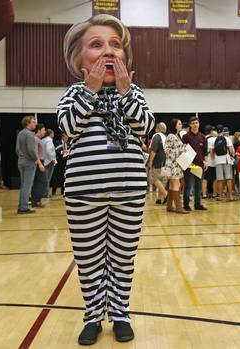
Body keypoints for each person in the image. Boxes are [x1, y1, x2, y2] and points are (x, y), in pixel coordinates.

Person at [58, 14, 155, 344]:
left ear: (125, 56)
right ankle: (92, 316)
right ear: (79, 57)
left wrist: (126, 93)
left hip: (129, 191)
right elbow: (69, 127)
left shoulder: (135, 93)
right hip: (84, 192)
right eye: (96, 45)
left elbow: (145, 127)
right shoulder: (73, 93)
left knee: (123, 257)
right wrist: (91, 91)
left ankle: (120, 314)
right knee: (88, 260)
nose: (109, 52)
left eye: (116, 45)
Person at [16, 116, 44, 214]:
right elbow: (31, 150)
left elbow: (17, 149)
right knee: (27, 186)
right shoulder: (30, 134)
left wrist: (22, 157)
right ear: (27, 123)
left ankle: (21, 206)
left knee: (24, 185)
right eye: (33, 122)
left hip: (21, 162)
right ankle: (23, 207)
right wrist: (36, 160)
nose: (35, 124)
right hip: (29, 163)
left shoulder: (20, 133)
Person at [182, 116, 208, 211]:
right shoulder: (186, 137)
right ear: (190, 125)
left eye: (196, 123)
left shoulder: (203, 137)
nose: (195, 125)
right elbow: (182, 151)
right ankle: (186, 205)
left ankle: (198, 204)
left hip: (200, 166)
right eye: (193, 123)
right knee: (188, 186)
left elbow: (205, 152)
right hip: (189, 166)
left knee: (198, 186)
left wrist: (205, 161)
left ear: (199, 124)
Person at [163, 119, 189, 214]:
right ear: (174, 125)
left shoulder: (177, 136)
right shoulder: (171, 136)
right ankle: (179, 207)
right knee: (176, 184)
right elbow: (167, 150)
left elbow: (177, 148)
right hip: (172, 164)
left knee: (172, 185)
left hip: (176, 164)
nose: (181, 125)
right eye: (179, 123)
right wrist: (181, 152)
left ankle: (169, 206)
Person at [210, 125, 235, 201]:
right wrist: (232, 156)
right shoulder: (227, 139)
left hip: (218, 161)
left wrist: (214, 159)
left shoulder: (213, 140)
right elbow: (231, 150)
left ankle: (220, 196)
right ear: (223, 131)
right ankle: (230, 196)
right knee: (228, 178)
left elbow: (211, 152)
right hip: (226, 160)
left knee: (219, 179)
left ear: (217, 131)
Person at [148, 122, 168, 204]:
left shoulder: (156, 136)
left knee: (153, 178)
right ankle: (159, 199)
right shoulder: (166, 137)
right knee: (163, 180)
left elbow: (154, 150)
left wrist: (151, 160)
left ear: (158, 128)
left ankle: (166, 195)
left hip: (158, 161)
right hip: (167, 161)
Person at [31, 124, 48, 208]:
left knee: (38, 182)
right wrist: (40, 164)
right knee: (43, 181)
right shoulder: (35, 139)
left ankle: (35, 201)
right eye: (43, 130)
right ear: (39, 130)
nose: (44, 132)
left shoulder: (38, 139)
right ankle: (36, 200)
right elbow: (35, 153)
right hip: (38, 162)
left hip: (40, 161)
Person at [203, 125, 217, 199]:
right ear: (211, 131)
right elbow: (212, 150)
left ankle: (204, 194)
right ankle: (214, 194)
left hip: (205, 160)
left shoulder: (203, 138)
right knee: (214, 178)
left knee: (205, 178)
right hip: (212, 161)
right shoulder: (213, 139)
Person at [42, 129, 57, 198]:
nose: (53, 134)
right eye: (53, 133)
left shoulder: (43, 140)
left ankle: (44, 192)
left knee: (45, 178)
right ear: (50, 134)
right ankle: (46, 193)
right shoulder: (49, 140)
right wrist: (53, 159)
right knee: (48, 178)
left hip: (44, 160)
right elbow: (48, 151)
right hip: (49, 161)